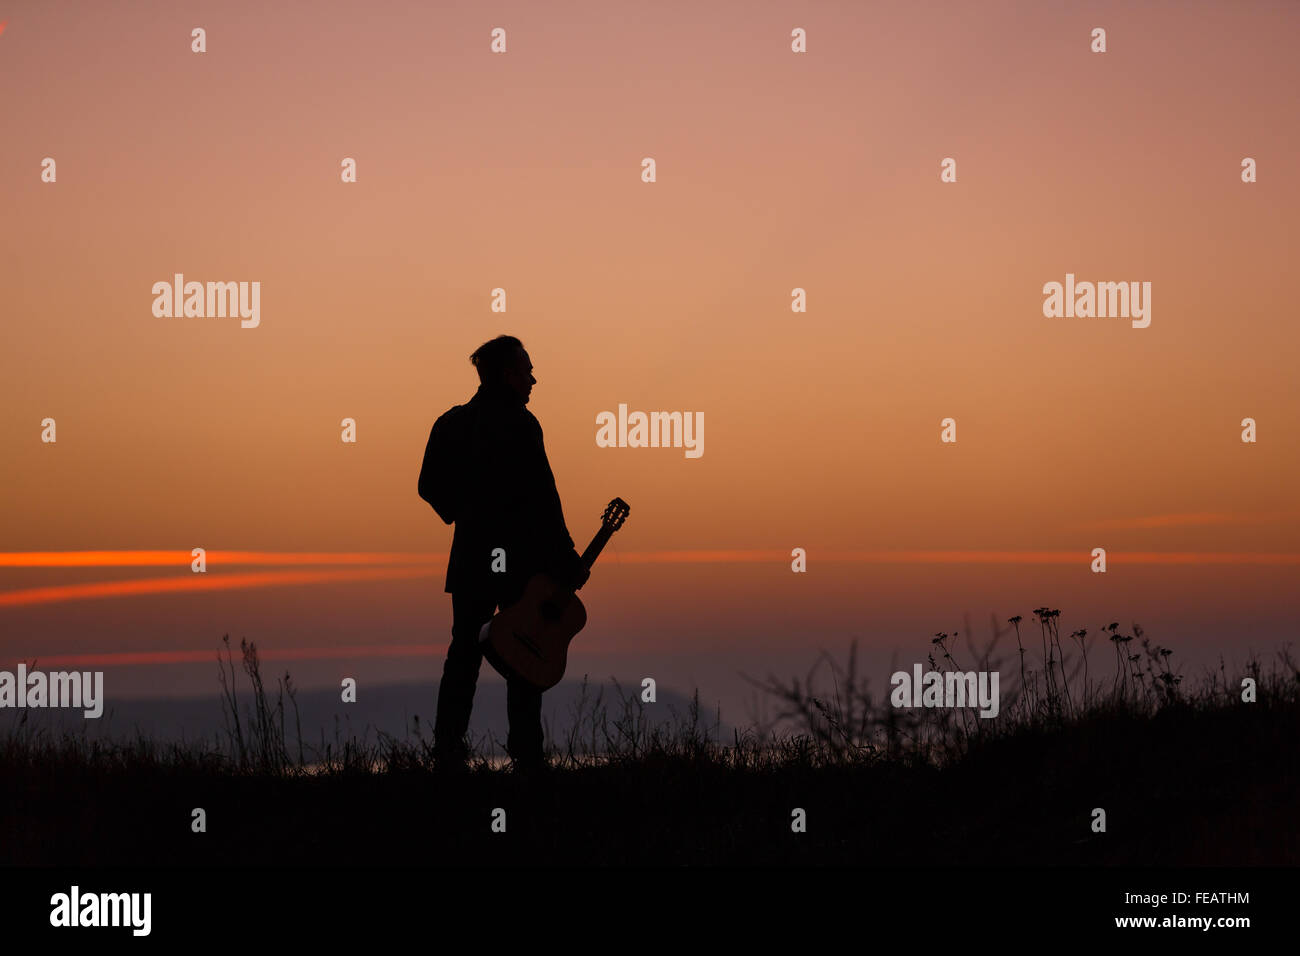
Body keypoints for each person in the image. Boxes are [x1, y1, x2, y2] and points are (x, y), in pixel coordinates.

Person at [419, 335, 589, 773]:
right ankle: (527, 757)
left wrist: (462, 512)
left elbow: (428, 487)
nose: (534, 378)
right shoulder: (522, 423)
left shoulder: (451, 423)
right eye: (527, 369)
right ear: (508, 374)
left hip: (473, 559)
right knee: (526, 657)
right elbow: (544, 498)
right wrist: (566, 554)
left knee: (464, 654)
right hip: (521, 565)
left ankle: (447, 753)